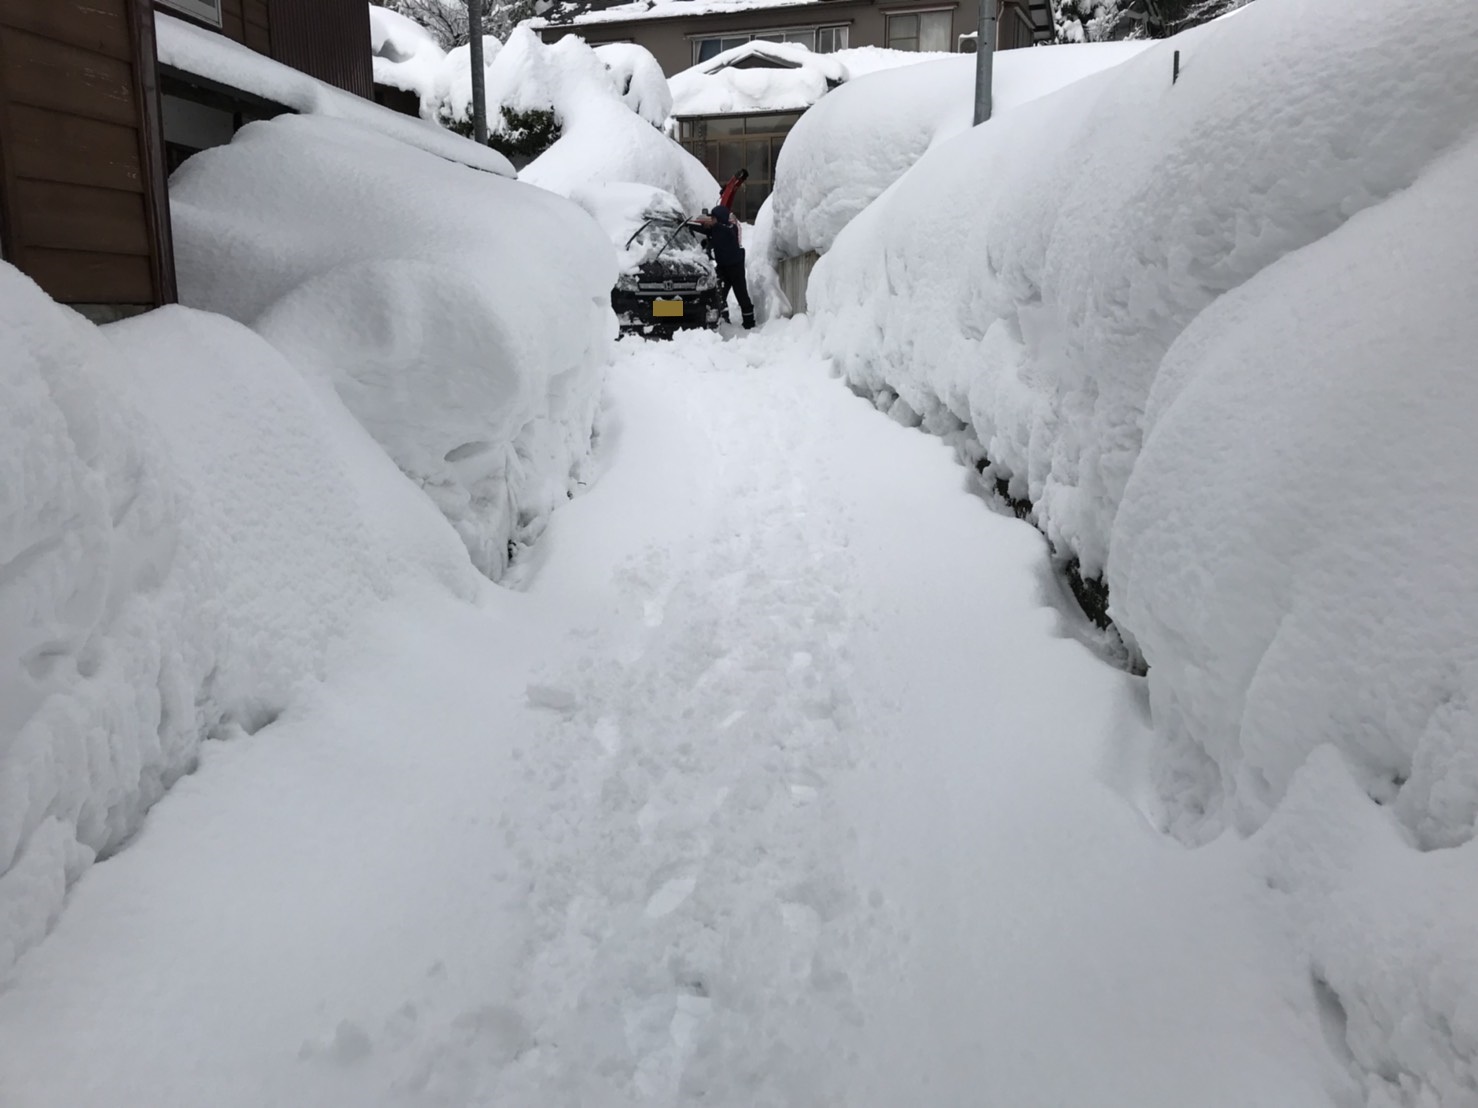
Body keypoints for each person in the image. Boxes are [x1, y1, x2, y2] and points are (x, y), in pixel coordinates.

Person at [690, 205, 755, 330]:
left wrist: (707, 246)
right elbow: (707, 230)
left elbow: (714, 232)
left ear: (719, 219)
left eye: (713, 218)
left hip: (735, 268)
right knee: (719, 294)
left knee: (741, 295)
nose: (711, 221)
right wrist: (690, 225)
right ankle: (726, 319)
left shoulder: (725, 230)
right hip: (724, 267)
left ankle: (749, 323)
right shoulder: (725, 227)